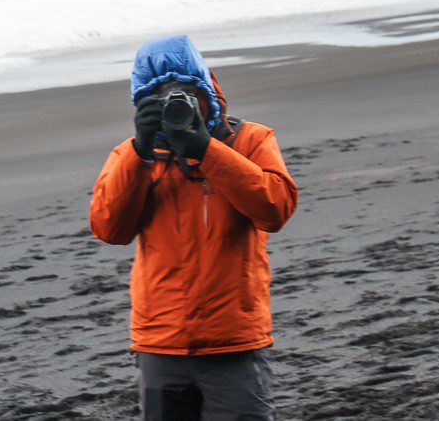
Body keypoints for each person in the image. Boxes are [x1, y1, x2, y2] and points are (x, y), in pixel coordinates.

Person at [89, 34, 299, 420]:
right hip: (160, 339)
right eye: (163, 97)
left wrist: (207, 150)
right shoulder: (132, 154)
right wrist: (139, 152)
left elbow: (275, 210)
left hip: (232, 338)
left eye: (187, 94)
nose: (178, 105)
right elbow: (109, 229)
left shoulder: (249, 141)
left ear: (208, 91)